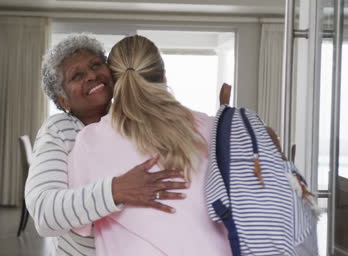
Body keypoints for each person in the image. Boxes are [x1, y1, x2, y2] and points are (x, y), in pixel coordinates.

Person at [24, 34, 189, 256]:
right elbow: (44, 214)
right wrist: (117, 190)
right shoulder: (60, 130)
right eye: (77, 76)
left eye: (96, 65)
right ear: (63, 101)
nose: (92, 76)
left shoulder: (136, 121)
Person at [67, 35, 231, 255]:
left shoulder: (90, 141)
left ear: (113, 85)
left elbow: (79, 225)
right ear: (163, 76)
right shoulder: (215, 127)